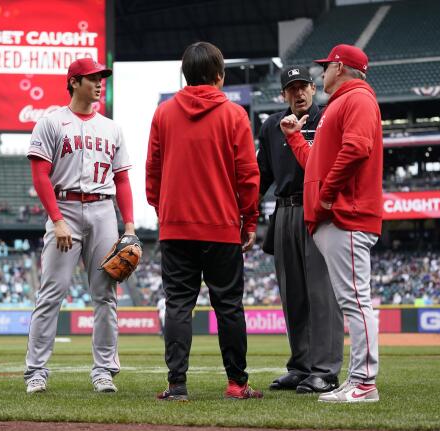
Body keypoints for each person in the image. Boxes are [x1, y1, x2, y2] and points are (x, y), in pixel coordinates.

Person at [146, 41, 262, 401]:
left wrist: (162, 210)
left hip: (176, 226)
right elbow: (248, 174)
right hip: (222, 227)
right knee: (228, 305)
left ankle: (177, 385)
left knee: (178, 303)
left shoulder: (164, 113)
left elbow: (153, 171)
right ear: (218, 75)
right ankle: (236, 384)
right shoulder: (234, 115)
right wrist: (250, 221)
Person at [24, 57, 136, 394]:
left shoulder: (112, 128)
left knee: (105, 295)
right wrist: (56, 219)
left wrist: (128, 225)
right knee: (51, 294)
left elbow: (122, 180)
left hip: (103, 211)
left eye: (101, 77)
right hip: (66, 208)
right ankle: (36, 371)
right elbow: (40, 174)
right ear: (74, 82)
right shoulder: (51, 123)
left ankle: (103, 370)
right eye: (92, 78)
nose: (99, 83)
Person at [280, 44, 383, 403]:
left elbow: (356, 149)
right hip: (334, 215)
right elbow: (316, 165)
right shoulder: (343, 102)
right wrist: (294, 137)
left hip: (345, 214)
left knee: (355, 301)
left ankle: (364, 383)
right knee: (351, 299)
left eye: (325, 66)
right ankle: (359, 381)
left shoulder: (357, 99)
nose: (321, 72)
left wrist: (328, 193)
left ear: (339, 67)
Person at [257, 65, 343, 394]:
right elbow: (262, 176)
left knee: (321, 294)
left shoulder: (329, 118)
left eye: (303, 86)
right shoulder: (271, 126)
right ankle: (301, 366)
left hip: (317, 210)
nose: (299, 93)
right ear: (284, 94)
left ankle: (325, 369)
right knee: (292, 296)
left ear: (313, 87)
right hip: (284, 211)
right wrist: (244, 213)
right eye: (291, 88)